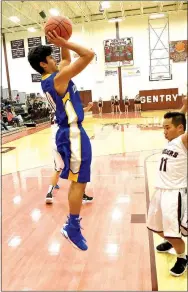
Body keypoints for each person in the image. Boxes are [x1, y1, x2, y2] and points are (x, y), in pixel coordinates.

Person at [28, 30, 94, 251]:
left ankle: (72, 224)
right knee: (78, 181)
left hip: (72, 132)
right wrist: (66, 41)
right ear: (43, 64)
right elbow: (88, 55)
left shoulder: (52, 77)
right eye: (50, 58)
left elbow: (66, 59)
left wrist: (60, 44)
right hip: (72, 133)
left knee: (79, 179)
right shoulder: (58, 79)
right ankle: (72, 227)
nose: (55, 59)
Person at [147, 95, 187, 277]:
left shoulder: (183, 142)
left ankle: (182, 258)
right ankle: (171, 242)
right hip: (161, 190)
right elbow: (179, 119)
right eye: (163, 127)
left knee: (172, 230)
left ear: (180, 129)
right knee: (157, 225)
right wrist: (185, 106)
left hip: (174, 194)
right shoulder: (173, 140)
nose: (164, 131)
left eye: (167, 128)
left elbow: (180, 124)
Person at [46, 103, 94, 205]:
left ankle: (49, 193)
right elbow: (76, 113)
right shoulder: (64, 108)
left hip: (54, 140)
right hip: (63, 140)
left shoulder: (54, 109)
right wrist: (88, 107)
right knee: (77, 168)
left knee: (58, 168)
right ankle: (80, 194)